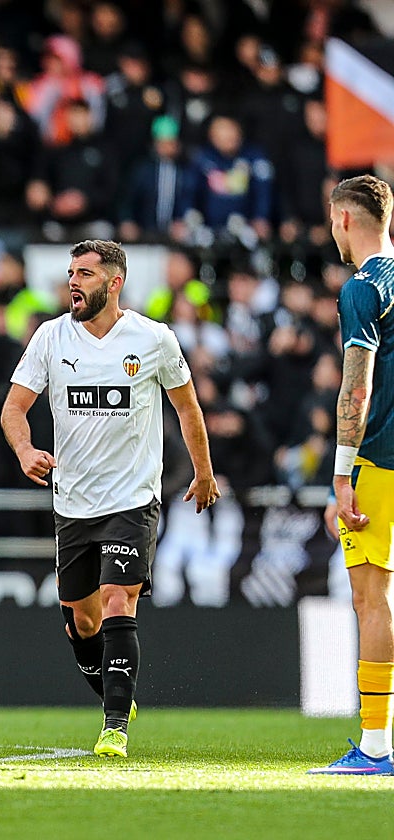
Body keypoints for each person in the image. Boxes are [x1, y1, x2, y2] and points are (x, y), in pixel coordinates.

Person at [0, 239, 218, 759]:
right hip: (73, 501)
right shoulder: (51, 337)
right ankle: (116, 693)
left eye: (85, 274)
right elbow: (13, 408)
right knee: (82, 618)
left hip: (132, 497)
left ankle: (114, 725)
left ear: (114, 283)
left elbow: (188, 409)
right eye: (71, 272)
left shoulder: (154, 339)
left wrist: (205, 472)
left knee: (120, 598)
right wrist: (26, 447)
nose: (73, 282)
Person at [307, 175, 394, 776]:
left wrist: (341, 475)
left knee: (372, 599)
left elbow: (355, 386)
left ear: (343, 219)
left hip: (381, 460)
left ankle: (375, 746)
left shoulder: (362, 288)